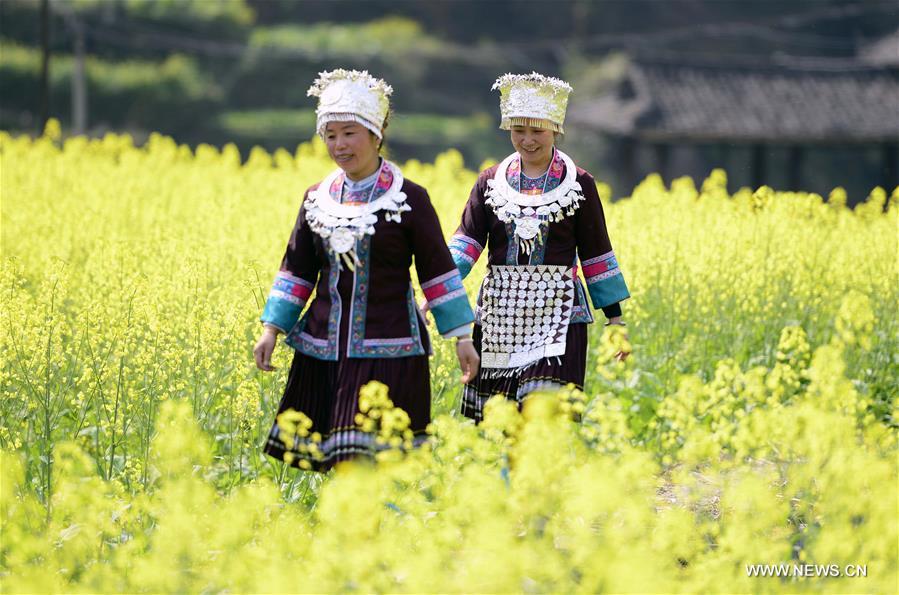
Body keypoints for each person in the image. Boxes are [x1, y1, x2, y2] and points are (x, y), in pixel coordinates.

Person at [254, 69, 479, 470]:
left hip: (388, 349)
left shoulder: (410, 198)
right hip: (323, 350)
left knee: (364, 460)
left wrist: (462, 336)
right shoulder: (316, 199)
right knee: (339, 460)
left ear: (377, 135)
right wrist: (272, 328)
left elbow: (436, 271)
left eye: (349, 133)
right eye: (330, 135)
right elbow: (297, 269)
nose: (339, 145)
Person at [448, 72, 630, 422]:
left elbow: (596, 254)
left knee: (542, 415)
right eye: (519, 130)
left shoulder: (580, 184)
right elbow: (467, 242)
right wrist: (437, 290)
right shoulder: (490, 181)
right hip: (501, 314)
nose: (527, 140)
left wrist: (616, 321)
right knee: (504, 423)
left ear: (556, 129)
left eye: (537, 131)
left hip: (559, 316)